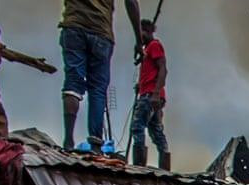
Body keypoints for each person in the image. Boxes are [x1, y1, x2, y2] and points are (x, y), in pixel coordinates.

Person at [59, 0, 142, 151]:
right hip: (101, 32)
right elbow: (131, 2)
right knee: (97, 90)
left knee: (73, 83)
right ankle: (96, 144)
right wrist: (139, 40)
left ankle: (68, 141)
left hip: (74, 25)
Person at [130, 18, 170, 169]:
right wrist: (140, 85)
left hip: (150, 95)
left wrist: (155, 93)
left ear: (146, 31)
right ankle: (164, 163)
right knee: (155, 131)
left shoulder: (154, 46)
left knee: (137, 126)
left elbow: (163, 69)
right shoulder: (147, 50)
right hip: (150, 93)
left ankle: (139, 165)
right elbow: (152, 72)